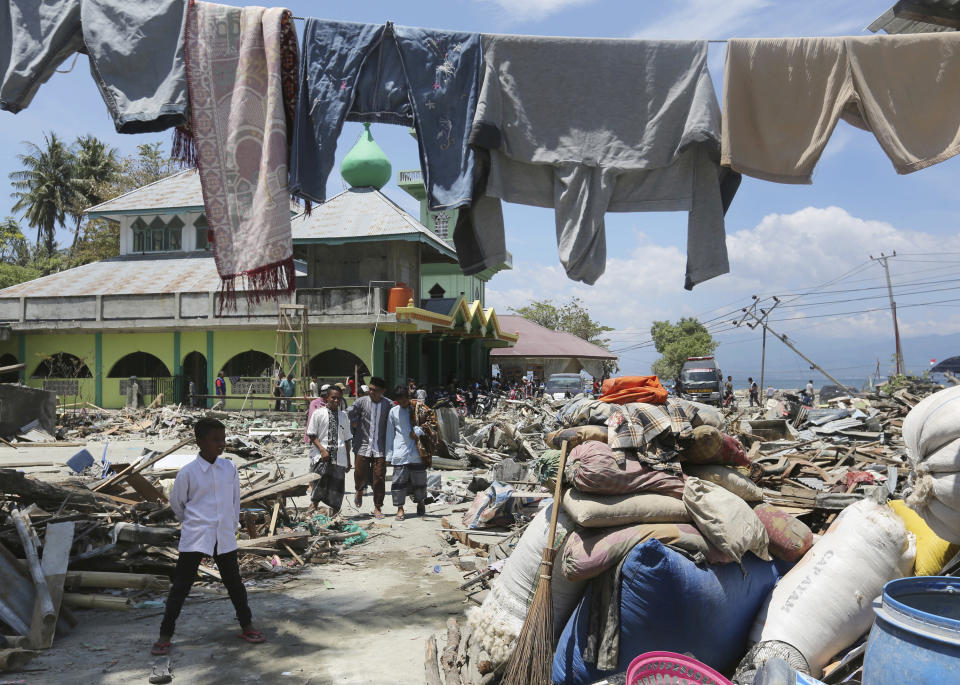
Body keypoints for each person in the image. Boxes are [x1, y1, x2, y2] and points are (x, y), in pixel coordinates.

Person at [152, 418, 264, 655]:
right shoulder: (188, 473)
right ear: (200, 442)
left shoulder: (229, 468)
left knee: (234, 583)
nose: (221, 444)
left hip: (224, 535)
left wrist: (231, 524)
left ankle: (247, 625)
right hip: (197, 534)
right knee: (181, 586)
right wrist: (194, 523)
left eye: (223, 439)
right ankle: (164, 635)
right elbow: (177, 503)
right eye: (215, 440)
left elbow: (235, 499)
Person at [386, 387, 438, 521]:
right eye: (400, 401)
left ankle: (421, 503)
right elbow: (390, 434)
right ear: (396, 401)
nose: (403, 403)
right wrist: (389, 454)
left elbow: (433, 421)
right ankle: (400, 508)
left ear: (408, 397)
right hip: (400, 452)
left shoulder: (419, 408)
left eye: (405, 400)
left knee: (420, 482)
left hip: (417, 452)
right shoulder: (393, 412)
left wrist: (419, 431)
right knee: (398, 483)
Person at [348, 376, 392, 519]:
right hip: (363, 445)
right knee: (360, 473)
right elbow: (350, 411)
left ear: (382, 391)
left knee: (379, 477)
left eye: (375, 390)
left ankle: (377, 507)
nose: (372, 392)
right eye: (370, 389)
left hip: (380, 447)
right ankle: (359, 490)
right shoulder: (361, 402)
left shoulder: (388, 405)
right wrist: (354, 422)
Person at [306, 386, 352, 515]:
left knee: (337, 486)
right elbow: (311, 434)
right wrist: (322, 450)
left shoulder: (344, 416)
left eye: (339, 398)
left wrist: (348, 460)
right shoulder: (318, 413)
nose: (336, 400)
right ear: (327, 398)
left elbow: (347, 439)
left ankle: (334, 513)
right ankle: (313, 506)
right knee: (319, 483)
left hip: (340, 456)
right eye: (333, 397)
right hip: (323, 456)